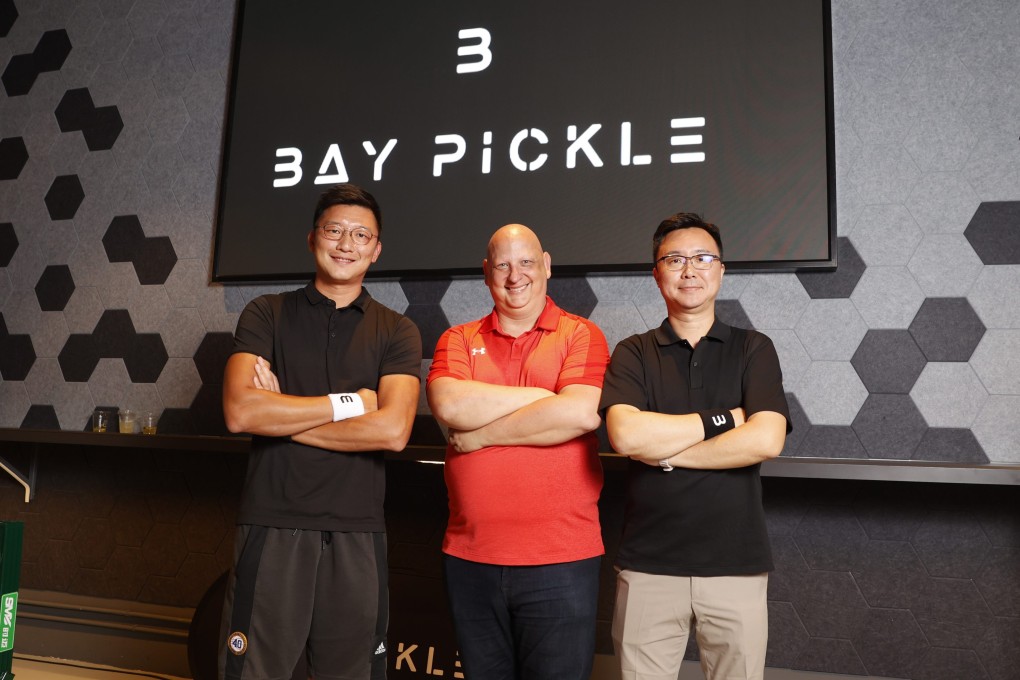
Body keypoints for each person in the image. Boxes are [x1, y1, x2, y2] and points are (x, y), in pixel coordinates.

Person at [219, 183, 422, 680]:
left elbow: (393, 430)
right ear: (312, 238)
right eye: (334, 230)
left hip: (357, 532)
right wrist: (350, 404)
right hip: (273, 523)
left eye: (360, 235)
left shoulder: (397, 330)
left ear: (376, 250)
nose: (345, 244)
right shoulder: (266, 313)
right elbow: (241, 413)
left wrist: (282, 417)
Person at [600, 212, 791, 680]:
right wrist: (725, 419)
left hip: (735, 566)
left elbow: (766, 438)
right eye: (675, 259)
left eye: (703, 258)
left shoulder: (753, 348)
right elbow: (625, 435)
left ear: (721, 270)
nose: (690, 270)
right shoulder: (633, 352)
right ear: (656, 273)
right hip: (648, 567)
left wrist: (663, 451)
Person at [425, 224, 610, 680]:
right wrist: (547, 397)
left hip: (561, 559)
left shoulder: (581, 334)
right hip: (471, 559)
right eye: (503, 265)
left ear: (546, 265)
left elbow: (581, 415)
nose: (515, 276)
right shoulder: (457, 338)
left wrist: (483, 434)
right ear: (486, 273)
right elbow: (450, 404)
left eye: (526, 262)